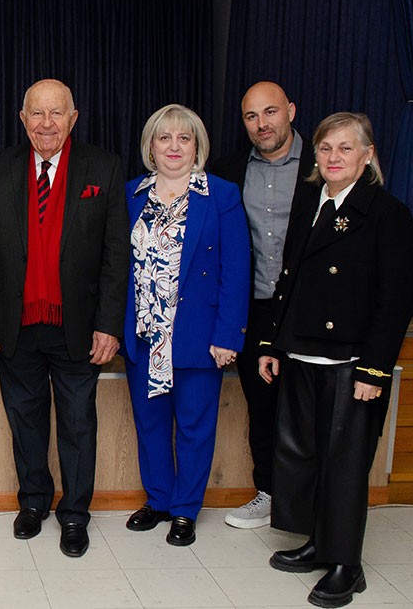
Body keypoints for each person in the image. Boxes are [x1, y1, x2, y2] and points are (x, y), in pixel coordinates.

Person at [259, 112, 413, 608]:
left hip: (351, 362)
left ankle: (347, 565)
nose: (333, 158)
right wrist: (271, 343)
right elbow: (289, 280)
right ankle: (319, 543)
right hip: (303, 352)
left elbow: (393, 302)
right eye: (326, 149)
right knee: (304, 456)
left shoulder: (386, 214)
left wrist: (374, 369)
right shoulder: (311, 200)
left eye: (345, 149)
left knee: (344, 466)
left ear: (367, 155)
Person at [0, 78, 129, 557]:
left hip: (78, 327)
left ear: (73, 118)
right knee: (26, 421)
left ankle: (75, 514)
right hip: (16, 327)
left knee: (78, 424)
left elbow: (116, 255)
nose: (46, 123)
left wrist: (109, 325)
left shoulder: (103, 167)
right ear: (23, 119)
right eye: (37, 113)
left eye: (56, 113)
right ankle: (34, 501)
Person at [121, 104, 250, 546]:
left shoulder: (222, 194)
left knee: (195, 426)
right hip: (145, 335)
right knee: (151, 424)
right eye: (164, 138)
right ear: (150, 146)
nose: (174, 147)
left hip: (198, 335)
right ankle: (158, 500)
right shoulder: (131, 194)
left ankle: (184, 509)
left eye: (184, 139)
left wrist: (228, 335)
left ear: (197, 147)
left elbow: (237, 269)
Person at [213, 81, 317, 529]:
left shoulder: (323, 164)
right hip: (255, 308)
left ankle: (315, 502)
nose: (262, 124)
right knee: (262, 404)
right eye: (252, 117)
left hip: (310, 309)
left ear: (291, 111)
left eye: (270, 112)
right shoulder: (230, 170)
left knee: (311, 407)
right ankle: (269, 493)